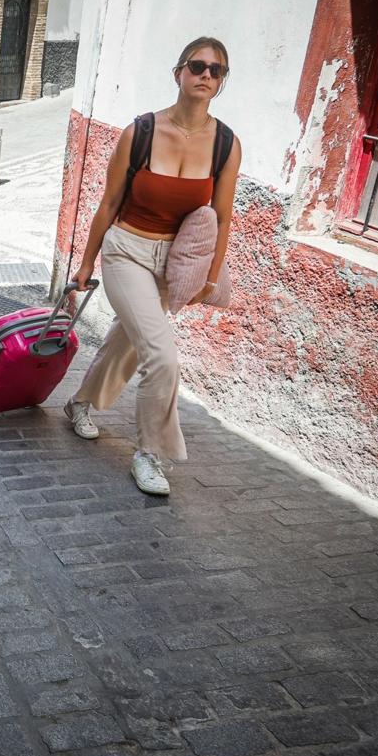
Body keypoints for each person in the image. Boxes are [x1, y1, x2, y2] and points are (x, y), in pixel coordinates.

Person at [67, 37, 242, 495]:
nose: (206, 75)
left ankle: (80, 403)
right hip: (127, 250)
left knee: (128, 342)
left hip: (175, 262)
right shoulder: (140, 132)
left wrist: (208, 275)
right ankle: (149, 454)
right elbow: (108, 204)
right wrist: (86, 264)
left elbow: (223, 218)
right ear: (178, 72)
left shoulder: (225, 143)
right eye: (198, 66)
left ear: (222, 82)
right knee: (161, 355)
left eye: (217, 71)